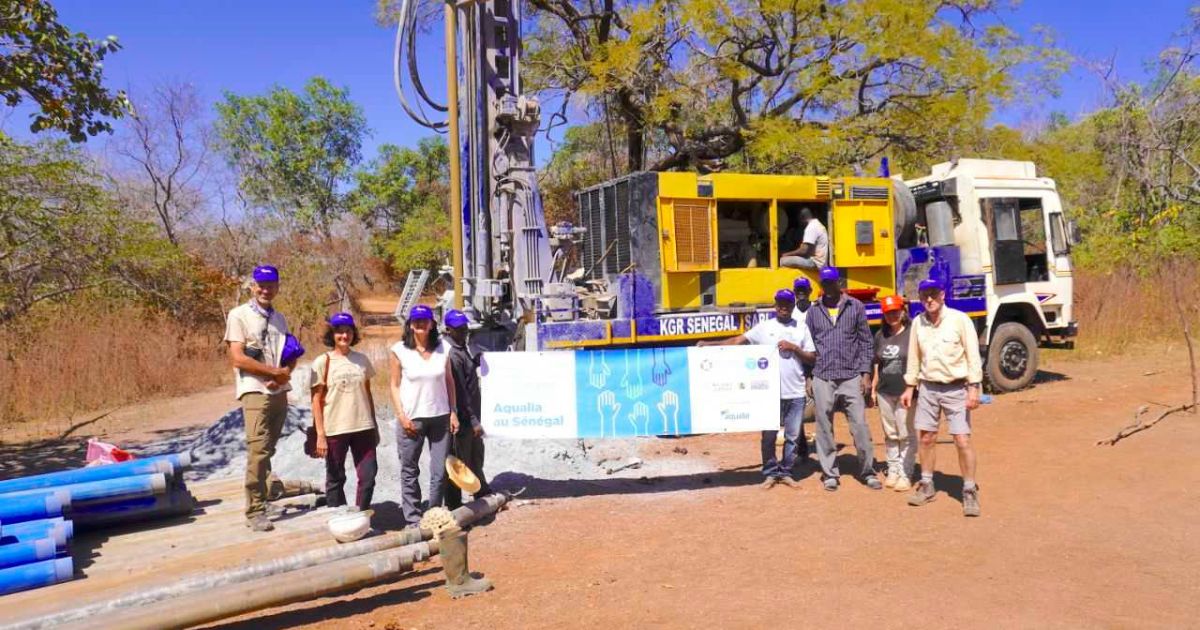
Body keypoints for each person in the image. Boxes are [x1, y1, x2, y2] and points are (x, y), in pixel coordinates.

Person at [699, 289, 815, 489]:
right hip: (768, 393)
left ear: (792, 305)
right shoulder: (764, 328)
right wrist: (709, 344)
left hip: (795, 391)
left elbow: (812, 357)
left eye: (787, 304)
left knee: (793, 437)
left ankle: (786, 471)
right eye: (780, 303)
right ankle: (770, 472)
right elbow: (737, 341)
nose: (783, 307)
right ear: (775, 305)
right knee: (768, 437)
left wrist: (794, 348)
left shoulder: (801, 328)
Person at [900, 278, 984, 517]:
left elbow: (972, 355)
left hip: (956, 388)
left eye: (933, 294)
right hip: (928, 388)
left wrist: (974, 387)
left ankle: (969, 489)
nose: (929, 299)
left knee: (962, 440)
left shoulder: (959, 320)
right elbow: (914, 358)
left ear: (942, 295)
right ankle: (927, 484)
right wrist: (909, 387)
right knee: (926, 438)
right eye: (924, 294)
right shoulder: (918, 323)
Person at [224, 265, 296, 532]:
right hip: (254, 391)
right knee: (258, 450)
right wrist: (272, 372)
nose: (266, 290)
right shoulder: (238, 315)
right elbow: (237, 357)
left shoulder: (280, 318)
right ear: (252, 287)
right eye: (261, 285)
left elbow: (291, 352)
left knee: (269, 449)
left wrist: (285, 373)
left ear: (277, 287)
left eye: (271, 285)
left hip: (278, 392)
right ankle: (254, 510)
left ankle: (264, 500)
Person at [805, 266, 880, 491]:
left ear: (839, 283)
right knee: (824, 427)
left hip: (850, 375)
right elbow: (808, 345)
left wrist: (866, 375)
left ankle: (867, 471)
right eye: (823, 283)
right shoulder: (813, 311)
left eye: (831, 283)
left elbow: (866, 342)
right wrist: (809, 377)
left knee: (859, 426)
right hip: (823, 374)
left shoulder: (855, 307)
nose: (827, 287)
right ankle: (830, 474)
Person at [390, 304, 459, 528]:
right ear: (410, 324)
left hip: (440, 418)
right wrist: (401, 415)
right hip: (412, 419)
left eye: (425, 321)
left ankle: (434, 515)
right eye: (416, 321)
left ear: (432, 324)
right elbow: (394, 385)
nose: (420, 324)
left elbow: (449, 381)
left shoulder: (443, 349)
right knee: (410, 469)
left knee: (439, 471)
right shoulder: (399, 350)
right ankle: (412, 518)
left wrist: (453, 412)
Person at [310, 312, 379, 513]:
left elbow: (368, 393)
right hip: (335, 429)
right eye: (339, 331)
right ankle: (337, 517)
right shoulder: (323, 362)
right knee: (335, 478)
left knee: (368, 475)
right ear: (332, 335)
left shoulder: (362, 360)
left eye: (348, 331)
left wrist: (374, 425)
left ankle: (361, 515)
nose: (344, 335)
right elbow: (316, 399)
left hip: (363, 427)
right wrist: (320, 434)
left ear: (353, 333)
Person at [442, 309, 491, 508]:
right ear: (448, 330)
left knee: (475, 455)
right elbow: (461, 393)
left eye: (465, 328)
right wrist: (473, 421)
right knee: (459, 460)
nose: (463, 332)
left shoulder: (462, 350)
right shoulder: (453, 356)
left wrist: (476, 362)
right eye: (459, 329)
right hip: (462, 419)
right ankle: (454, 505)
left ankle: (480, 491)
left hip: (471, 417)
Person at [871, 295, 918, 492]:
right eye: (889, 312)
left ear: (903, 311)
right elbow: (877, 363)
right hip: (884, 391)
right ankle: (893, 469)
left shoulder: (912, 334)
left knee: (905, 433)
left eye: (896, 311)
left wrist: (914, 386)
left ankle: (906, 472)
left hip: (905, 391)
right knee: (890, 433)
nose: (893, 316)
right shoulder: (880, 335)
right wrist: (873, 387)